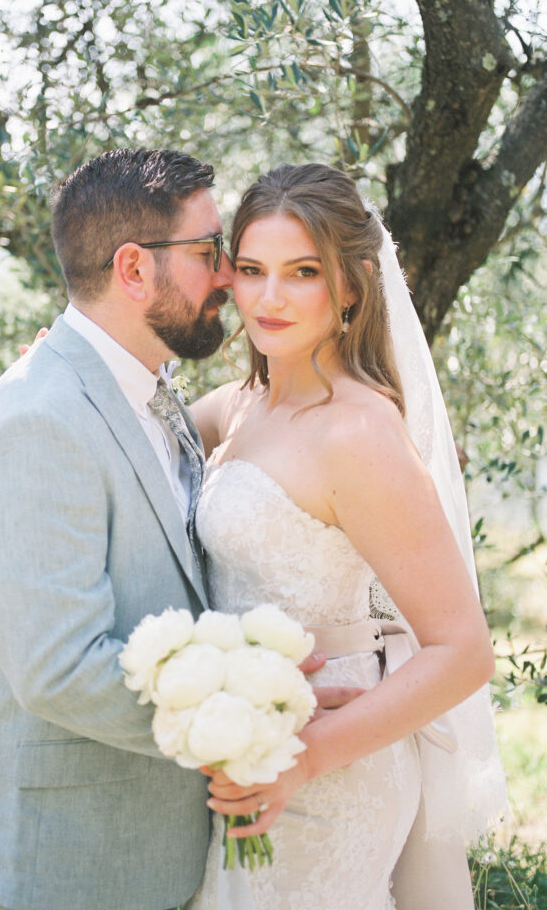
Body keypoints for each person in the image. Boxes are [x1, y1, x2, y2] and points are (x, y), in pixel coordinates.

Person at [0, 149, 350, 910]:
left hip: (147, 848)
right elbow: (59, 669)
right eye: (209, 251)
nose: (229, 275)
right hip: (55, 863)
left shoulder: (145, 387)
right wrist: (247, 719)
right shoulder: (40, 419)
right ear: (132, 269)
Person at [183, 163, 506, 910]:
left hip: (328, 768)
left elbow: (464, 651)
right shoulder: (242, 404)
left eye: (302, 272)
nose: (269, 298)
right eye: (253, 270)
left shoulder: (358, 433)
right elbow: (134, 437)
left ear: (352, 286)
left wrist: (302, 760)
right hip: (240, 743)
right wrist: (74, 375)